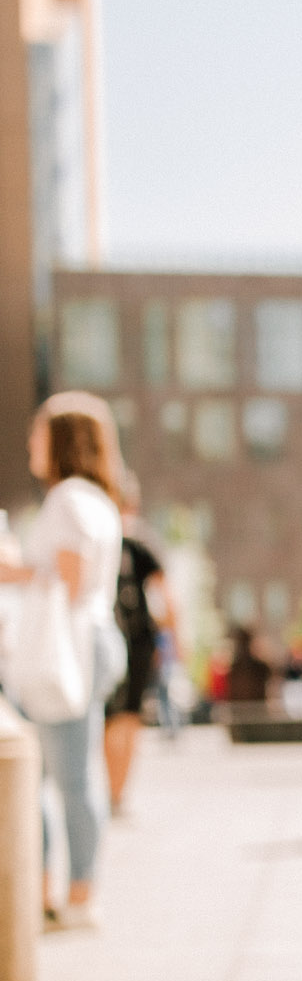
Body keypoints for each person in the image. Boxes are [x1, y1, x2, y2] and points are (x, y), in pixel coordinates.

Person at [0, 394, 125, 928]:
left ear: (61, 441)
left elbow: (67, 582)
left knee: (66, 779)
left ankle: (76, 895)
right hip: (83, 643)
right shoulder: (91, 498)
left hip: (67, 650)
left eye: (38, 433)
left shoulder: (69, 500)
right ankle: (58, 892)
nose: (31, 442)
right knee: (62, 776)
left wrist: (14, 571)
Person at [103, 476, 174, 817]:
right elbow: (166, 596)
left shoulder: (110, 539)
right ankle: (115, 794)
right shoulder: (138, 541)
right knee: (127, 721)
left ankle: (111, 793)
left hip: (110, 640)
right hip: (134, 642)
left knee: (111, 721)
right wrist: (173, 639)